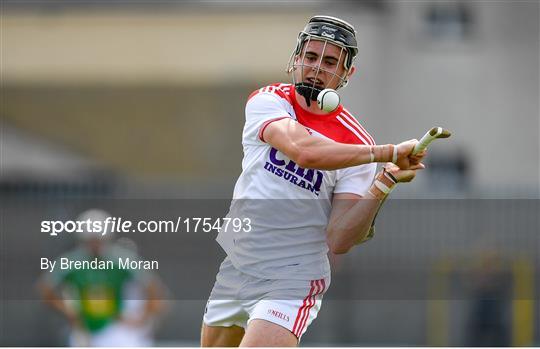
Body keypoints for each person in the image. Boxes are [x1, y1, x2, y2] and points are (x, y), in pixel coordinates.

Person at [202, 15, 426, 347]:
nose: (317, 67)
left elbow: (339, 239)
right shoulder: (269, 101)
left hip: (293, 275)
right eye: (310, 56)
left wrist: (384, 182)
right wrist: (388, 152)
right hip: (238, 262)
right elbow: (303, 151)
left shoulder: (358, 144)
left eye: (331, 61)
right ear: (296, 59)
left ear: (347, 74)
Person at [38, 209, 164, 346]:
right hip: (84, 329)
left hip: (114, 328)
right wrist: (69, 312)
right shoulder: (71, 262)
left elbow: (152, 286)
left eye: (98, 240)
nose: (95, 245)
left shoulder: (120, 259)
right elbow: (45, 288)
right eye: (90, 240)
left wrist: (142, 319)